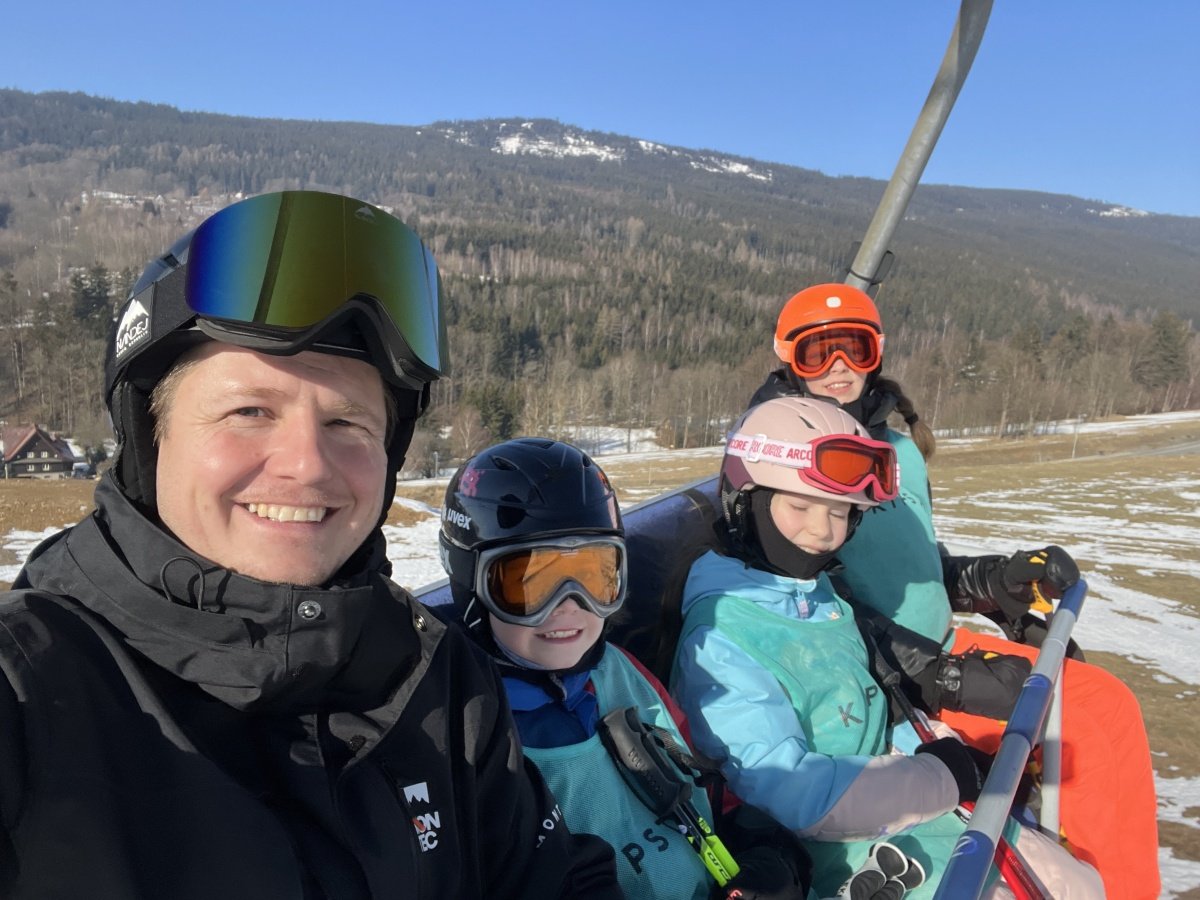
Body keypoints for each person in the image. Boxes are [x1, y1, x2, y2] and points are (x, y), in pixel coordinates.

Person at [0, 191, 622, 899]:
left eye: (347, 423)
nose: (307, 465)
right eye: (250, 410)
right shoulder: (30, 688)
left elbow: (552, 880)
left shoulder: (437, 675)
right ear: (151, 434)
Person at [751, 282, 1158, 900]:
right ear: (788, 358)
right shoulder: (785, 459)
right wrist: (940, 676)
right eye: (817, 352)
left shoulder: (896, 450)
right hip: (898, 676)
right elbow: (806, 601)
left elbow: (915, 566)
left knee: (1107, 706)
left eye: (854, 349)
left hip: (942, 646)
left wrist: (991, 581)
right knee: (1090, 722)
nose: (838, 367)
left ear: (877, 352)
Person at [669, 397, 1105, 899]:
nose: (823, 531)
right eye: (800, 506)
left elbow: (869, 689)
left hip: (917, 812)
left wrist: (935, 731)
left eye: (840, 511)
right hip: (844, 855)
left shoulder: (816, 594)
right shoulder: (719, 639)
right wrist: (940, 776)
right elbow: (785, 788)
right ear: (744, 501)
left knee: (1082, 886)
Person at [436, 436, 816, 900]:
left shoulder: (620, 673)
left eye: (595, 576)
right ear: (471, 583)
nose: (569, 606)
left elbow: (706, 786)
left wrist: (767, 857)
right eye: (529, 584)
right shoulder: (468, 730)